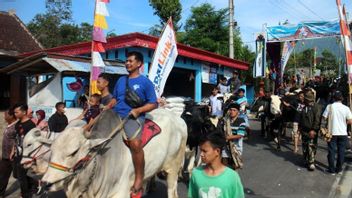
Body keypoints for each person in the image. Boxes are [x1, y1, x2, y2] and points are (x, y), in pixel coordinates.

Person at [106, 51, 157, 198]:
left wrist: (139, 110)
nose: (127, 63)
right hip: (115, 115)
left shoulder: (145, 82)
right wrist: (107, 107)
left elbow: (153, 103)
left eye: (130, 61)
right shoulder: (121, 80)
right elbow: (115, 99)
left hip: (132, 118)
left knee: (135, 144)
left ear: (139, 64)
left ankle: (139, 179)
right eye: (126, 61)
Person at [188, 132, 244, 198]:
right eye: (200, 150)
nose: (201, 154)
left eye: (205, 151)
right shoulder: (196, 174)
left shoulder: (232, 176)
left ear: (217, 151)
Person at [321, 91, 352, 174]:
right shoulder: (346, 108)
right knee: (341, 152)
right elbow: (350, 121)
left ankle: (331, 170)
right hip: (343, 133)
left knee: (331, 151)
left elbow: (324, 117)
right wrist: (343, 123)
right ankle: (339, 169)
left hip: (332, 132)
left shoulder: (329, 107)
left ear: (333, 98)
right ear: (341, 98)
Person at [13, 103, 37, 198]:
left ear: (23, 112)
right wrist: (12, 151)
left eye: (16, 112)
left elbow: (34, 142)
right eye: (14, 112)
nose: (15, 114)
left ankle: (26, 194)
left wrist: (31, 157)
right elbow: (16, 139)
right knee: (19, 176)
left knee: (22, 177)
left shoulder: (31, 125)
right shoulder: (18, 124)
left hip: (26, 156)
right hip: (17, 154)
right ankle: (29, 190)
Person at [296, 91, 321, 171]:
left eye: (305, 98)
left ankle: (311, 162)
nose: (303, 100)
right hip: (304, 130)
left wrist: (313, 130)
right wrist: (299, 128)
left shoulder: (316, 107)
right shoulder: (304, 107)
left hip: (312, 130)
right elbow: (301, 118)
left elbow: (317, 120)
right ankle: (306, 159)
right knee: (305, 146)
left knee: (311, 146)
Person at [219, 103, 246, 169]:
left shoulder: (241, 121)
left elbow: (240, 135)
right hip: (225, 148)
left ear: (238, 112)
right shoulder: (225, 121)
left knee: (234, 167)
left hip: (236, 148)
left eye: (234, 110)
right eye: (230, 110)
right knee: (224, 167)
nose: (232, 112)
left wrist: (228, 137)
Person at [0, 108, 17, 197]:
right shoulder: (9, 125)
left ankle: (30, 190)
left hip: (13, 156)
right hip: (5, 157)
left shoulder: (16, 126)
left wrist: (13, 152)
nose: (4, 116)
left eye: (6, 115)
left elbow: (17, 140)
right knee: (2, 176)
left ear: (11, 116)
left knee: (21, 176)